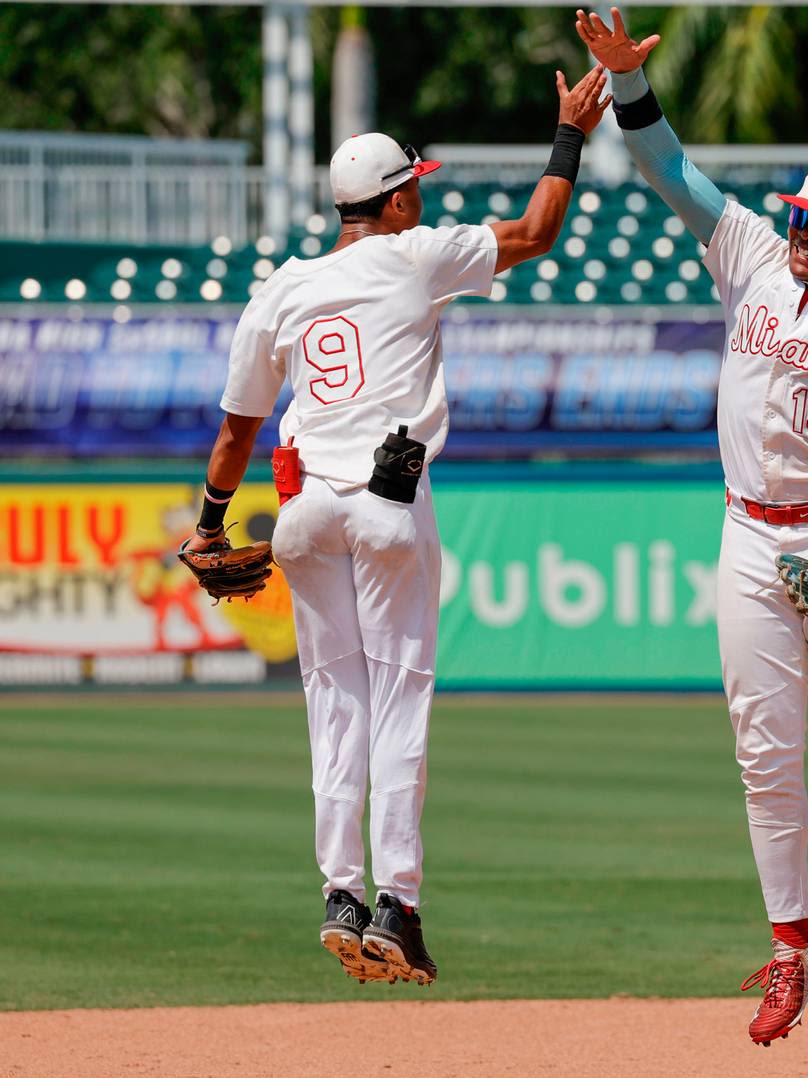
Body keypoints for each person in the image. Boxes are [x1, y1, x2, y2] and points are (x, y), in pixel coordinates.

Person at [182, 65, 612, 986]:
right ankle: (397, 905)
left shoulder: (282, 288)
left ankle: (340, 891)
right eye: (418, 183)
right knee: (401, 697)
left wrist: (209, 530)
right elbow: (538, 231)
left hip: (300, 513)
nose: (425, 192)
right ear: (396, 195)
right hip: (384, 502)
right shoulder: (417, 257)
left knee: (334, 705)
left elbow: (233, 431)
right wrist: (570, 132)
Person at [576, 8, 808, 1046]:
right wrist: (629, 85)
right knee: (763, 752)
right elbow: (669, 169)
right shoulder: (756, 258)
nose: (802, 234)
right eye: (798, 217)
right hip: (746, 535)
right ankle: (794, 949)